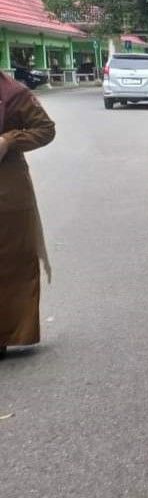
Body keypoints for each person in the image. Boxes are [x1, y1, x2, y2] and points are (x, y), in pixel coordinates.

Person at [0, 70, 56, 359]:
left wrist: (9, 140)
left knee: (10, 262)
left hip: (7, 191)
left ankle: (6, 333)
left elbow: (45, 129)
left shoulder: (12, 92)